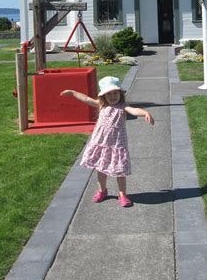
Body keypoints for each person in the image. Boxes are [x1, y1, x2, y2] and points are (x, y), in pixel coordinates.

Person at [60, 76, 154, 207]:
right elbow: (86, 99)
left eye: (115, 93)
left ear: (120, 94)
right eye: (108, 94)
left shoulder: (123, 107)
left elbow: (134, 110)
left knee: (120, 171)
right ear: (103, 96)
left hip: (117, 145)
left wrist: (144, 113)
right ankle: (102, 190)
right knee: (101, 169)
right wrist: (73, 93)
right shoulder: (101, 105)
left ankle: (122, 194)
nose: (112, 96)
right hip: (101, 144)